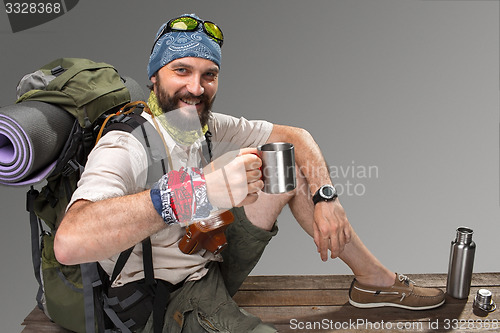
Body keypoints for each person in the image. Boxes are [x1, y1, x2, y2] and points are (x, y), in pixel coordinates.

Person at [54, 14, 445, 332]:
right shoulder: (127, 144)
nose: (196, 87)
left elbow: (297, 136)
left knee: (284, 161)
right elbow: (69, 241)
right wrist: (199, 192)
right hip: (164, 296)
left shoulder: (201, 124)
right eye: (181, 71)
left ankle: (373, 281)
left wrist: (327, 197)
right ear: (153, 77)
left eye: (209, 74)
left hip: (208, 254)